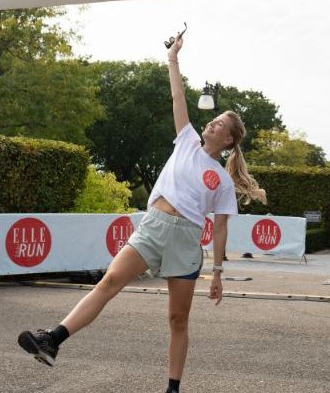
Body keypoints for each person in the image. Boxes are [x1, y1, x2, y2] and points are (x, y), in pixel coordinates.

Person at [17, 33, 266, 393]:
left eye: (220, 126)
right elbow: (177, 95)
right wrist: (173, 58)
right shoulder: (186, 140)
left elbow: (221, 229)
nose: (211, 125)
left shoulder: (224, 184)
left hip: (185, 241)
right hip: (153, 227)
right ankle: (53, 339)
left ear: (229, 140)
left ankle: (172, 389)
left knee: (177, 319)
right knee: (108, 282)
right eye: (213, 123)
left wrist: (218, 273)